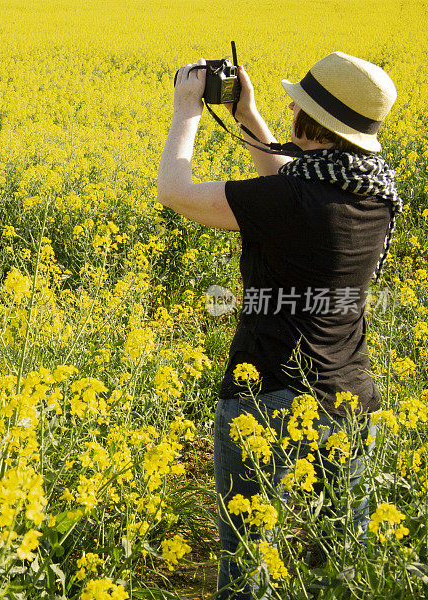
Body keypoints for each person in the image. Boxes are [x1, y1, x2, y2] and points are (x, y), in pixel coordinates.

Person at [156, 52, 399, 599]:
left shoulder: (293, 198)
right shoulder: (372, 190)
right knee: (338, 562)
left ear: (312, 119)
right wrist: (248, 117)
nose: (291, 104)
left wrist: (187, 109)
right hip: (350, 396)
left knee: (245, 560)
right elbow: (297, 179)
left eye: (299, 102)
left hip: (266, 392)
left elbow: (173, 193)